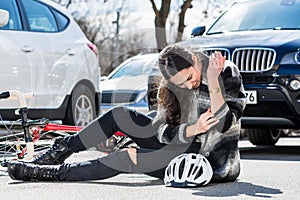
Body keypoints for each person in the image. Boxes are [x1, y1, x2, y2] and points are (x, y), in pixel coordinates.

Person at [7, 44, 246, 184]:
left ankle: (51, 173)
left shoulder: (224, 72)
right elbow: (162, 131)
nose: (187, 86)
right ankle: (60, 151)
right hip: (179, 142)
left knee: (126, 156)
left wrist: (212, 81)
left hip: (209, 161)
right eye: (179, 84)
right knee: (120, 115)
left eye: (190, 78)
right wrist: (191, 129)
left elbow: (225, 124)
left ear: (194, 60)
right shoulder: (170, 88)